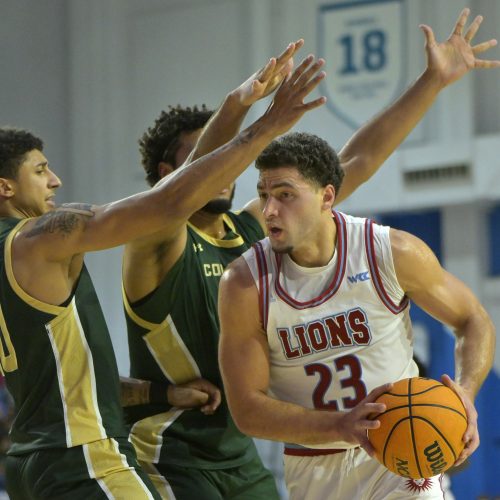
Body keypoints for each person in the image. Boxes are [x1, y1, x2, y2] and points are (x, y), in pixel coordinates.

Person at [121, 7, 500, 499]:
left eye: (282, 193)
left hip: (285, 455)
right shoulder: (169, 244)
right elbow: (181, 194)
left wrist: (431, 83)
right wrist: (241, 110)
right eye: (213, 160)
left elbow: (354, 162)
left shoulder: (252, 228)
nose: (225, 171)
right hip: (199, 448)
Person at [0, 45, 324, 499]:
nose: (55, 180)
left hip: (27, 462)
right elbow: (170, 202)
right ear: (5, 186)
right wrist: (267, 124)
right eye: (40, 170)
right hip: (84, 458)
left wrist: (163, 394)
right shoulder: (41, 239)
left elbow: (71, 381)